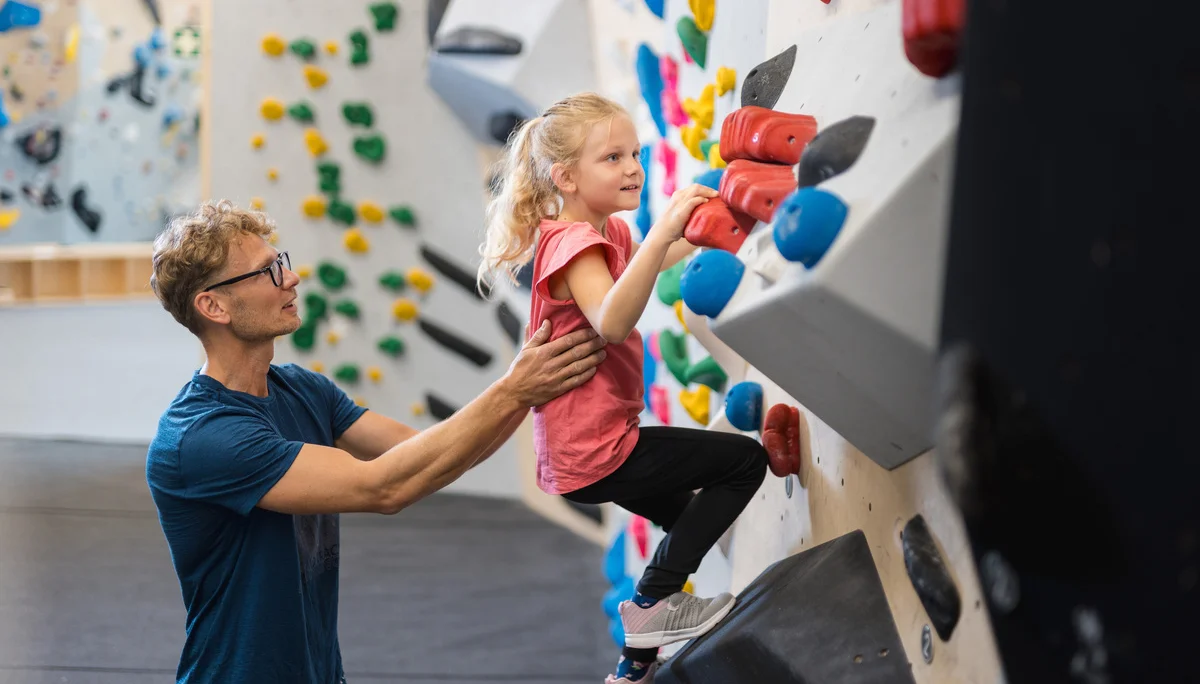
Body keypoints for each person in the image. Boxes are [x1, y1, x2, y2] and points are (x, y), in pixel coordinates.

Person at [144, 200, 608, 684]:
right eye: (266, 272)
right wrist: (514, 389)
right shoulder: (202, 437)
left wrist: (530, 385)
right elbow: (383, 487)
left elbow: (432, 452)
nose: (291, 278)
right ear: (213, 306)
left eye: (280, 262)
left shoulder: (303, 389)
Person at [477, 93, 770, 684]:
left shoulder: (605, 230)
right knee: (744, 463)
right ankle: (649, 607)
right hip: (596, 450)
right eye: (612, 157)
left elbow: (651, 265)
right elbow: (611, 321)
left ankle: (634, 667)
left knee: (688, 518)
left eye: (634, 154)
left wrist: (727, 219)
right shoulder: (572, 245)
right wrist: (661, 234)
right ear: (565, 177)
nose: (633, 168)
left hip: (592, 446)